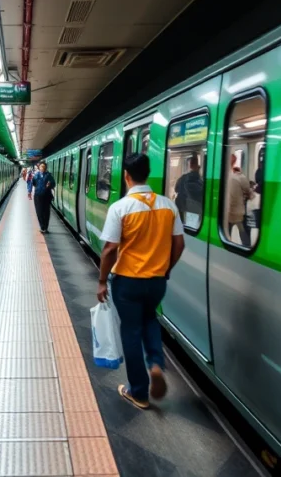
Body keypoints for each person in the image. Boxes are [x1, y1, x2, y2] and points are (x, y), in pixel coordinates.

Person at [97, 153, 184, 410]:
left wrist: (102, 280)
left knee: (131, 332)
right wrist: (166, 268)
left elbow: (110, 249)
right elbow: (179, 243)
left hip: (128, 281)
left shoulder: (121, 207)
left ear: (126, 175)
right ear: (148, 173)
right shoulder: (168, 205)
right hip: (156, 280)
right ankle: (156, 364)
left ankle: (139, 393)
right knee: (150, 320)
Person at [226, 155, 252, 246]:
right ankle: (247, 246)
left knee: (226, 233)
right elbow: (249, 193)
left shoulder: (223, 175)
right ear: (235, 161)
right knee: (243, 231)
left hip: (227, 212)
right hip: (238, 212)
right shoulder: (240, 177)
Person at [173, 155, 203, 227]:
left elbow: (176, 189)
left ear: (190, 165)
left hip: (181, 206)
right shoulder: (199, 180)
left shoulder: (183, 177)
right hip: (193, 209)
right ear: (198, 166)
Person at [31, 161, 55, 233]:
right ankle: (42, 227)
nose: (43, 168)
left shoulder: (49, 175)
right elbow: (33, 183)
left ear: (46, 168)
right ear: (39, 168)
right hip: (38, 196)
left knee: (46, 212)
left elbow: (53, 184)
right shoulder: (36, 175)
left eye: (44, 167)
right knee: (39, 212)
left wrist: (49, 185)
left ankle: (45, 227)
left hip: (47, 196)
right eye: (41, 167)